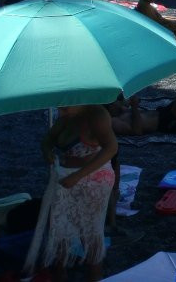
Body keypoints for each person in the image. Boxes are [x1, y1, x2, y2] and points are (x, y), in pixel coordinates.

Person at [41, 104, 118, 281]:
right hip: (67, 176)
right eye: (59, 108)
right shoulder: (65, 116)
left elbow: (112, 147)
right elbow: (47, 140)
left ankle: (93, 276)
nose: (60, 112)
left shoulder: (97, 115)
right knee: (58, 228)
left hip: (95, 177)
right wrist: (47, 152)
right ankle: (61, 273)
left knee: (89, 232)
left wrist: (77, 176)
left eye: (65, 108)